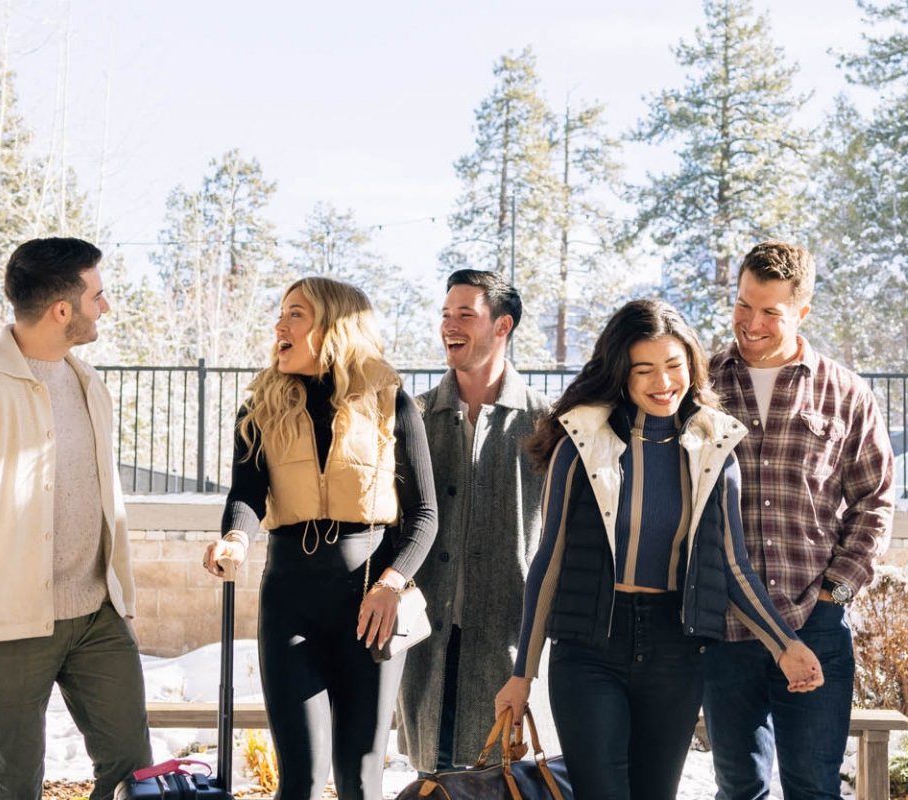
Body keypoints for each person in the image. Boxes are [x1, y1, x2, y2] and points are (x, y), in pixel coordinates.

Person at [493, 298, 824, 800]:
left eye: (673, 366)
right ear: (621, 375)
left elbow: (732, 565)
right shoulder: (580, 443)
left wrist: (786, 645)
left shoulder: (715, 450)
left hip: (675, 650)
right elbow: (550, 560)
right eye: (643, 369)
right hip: (589, 652)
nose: (662, 381)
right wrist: (522, 675)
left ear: (691, 366)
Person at [0, 237, 150, 800]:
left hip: (97, 612)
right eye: (98, 296)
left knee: (134, 775)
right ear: (63, 310)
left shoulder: (91, 384)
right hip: (11, 623)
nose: (104, 308)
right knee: (16, 785)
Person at [202, 277, 440, 800]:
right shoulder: (261, 406)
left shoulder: (391, 402)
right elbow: (245, 495)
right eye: (282, 313)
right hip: (289, 599)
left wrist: (392, 583)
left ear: (333, 326)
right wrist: (235, 541)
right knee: (302, 781)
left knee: (360, 777)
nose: (279, 326)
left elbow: (424, 516)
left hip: (371, 604)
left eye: (295, 315)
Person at [702, 241, 897, 800]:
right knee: (738, 788)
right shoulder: (702, 387)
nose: (752, 323)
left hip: (815, 621)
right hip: (727, 627)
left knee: (813, 788)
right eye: (743, 305)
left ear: (802, 312)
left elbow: (875, 501)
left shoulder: (847, 393)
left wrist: (835, 595)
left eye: (771, 312)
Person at [399, 269, 552, 772]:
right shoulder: (415, 417)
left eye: (466, 314)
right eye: (445, 314)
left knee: (496, 776)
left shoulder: (542, 423)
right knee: (432, 775)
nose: (450, 325)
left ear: (502, 326)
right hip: (427, 635)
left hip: (504, 634)